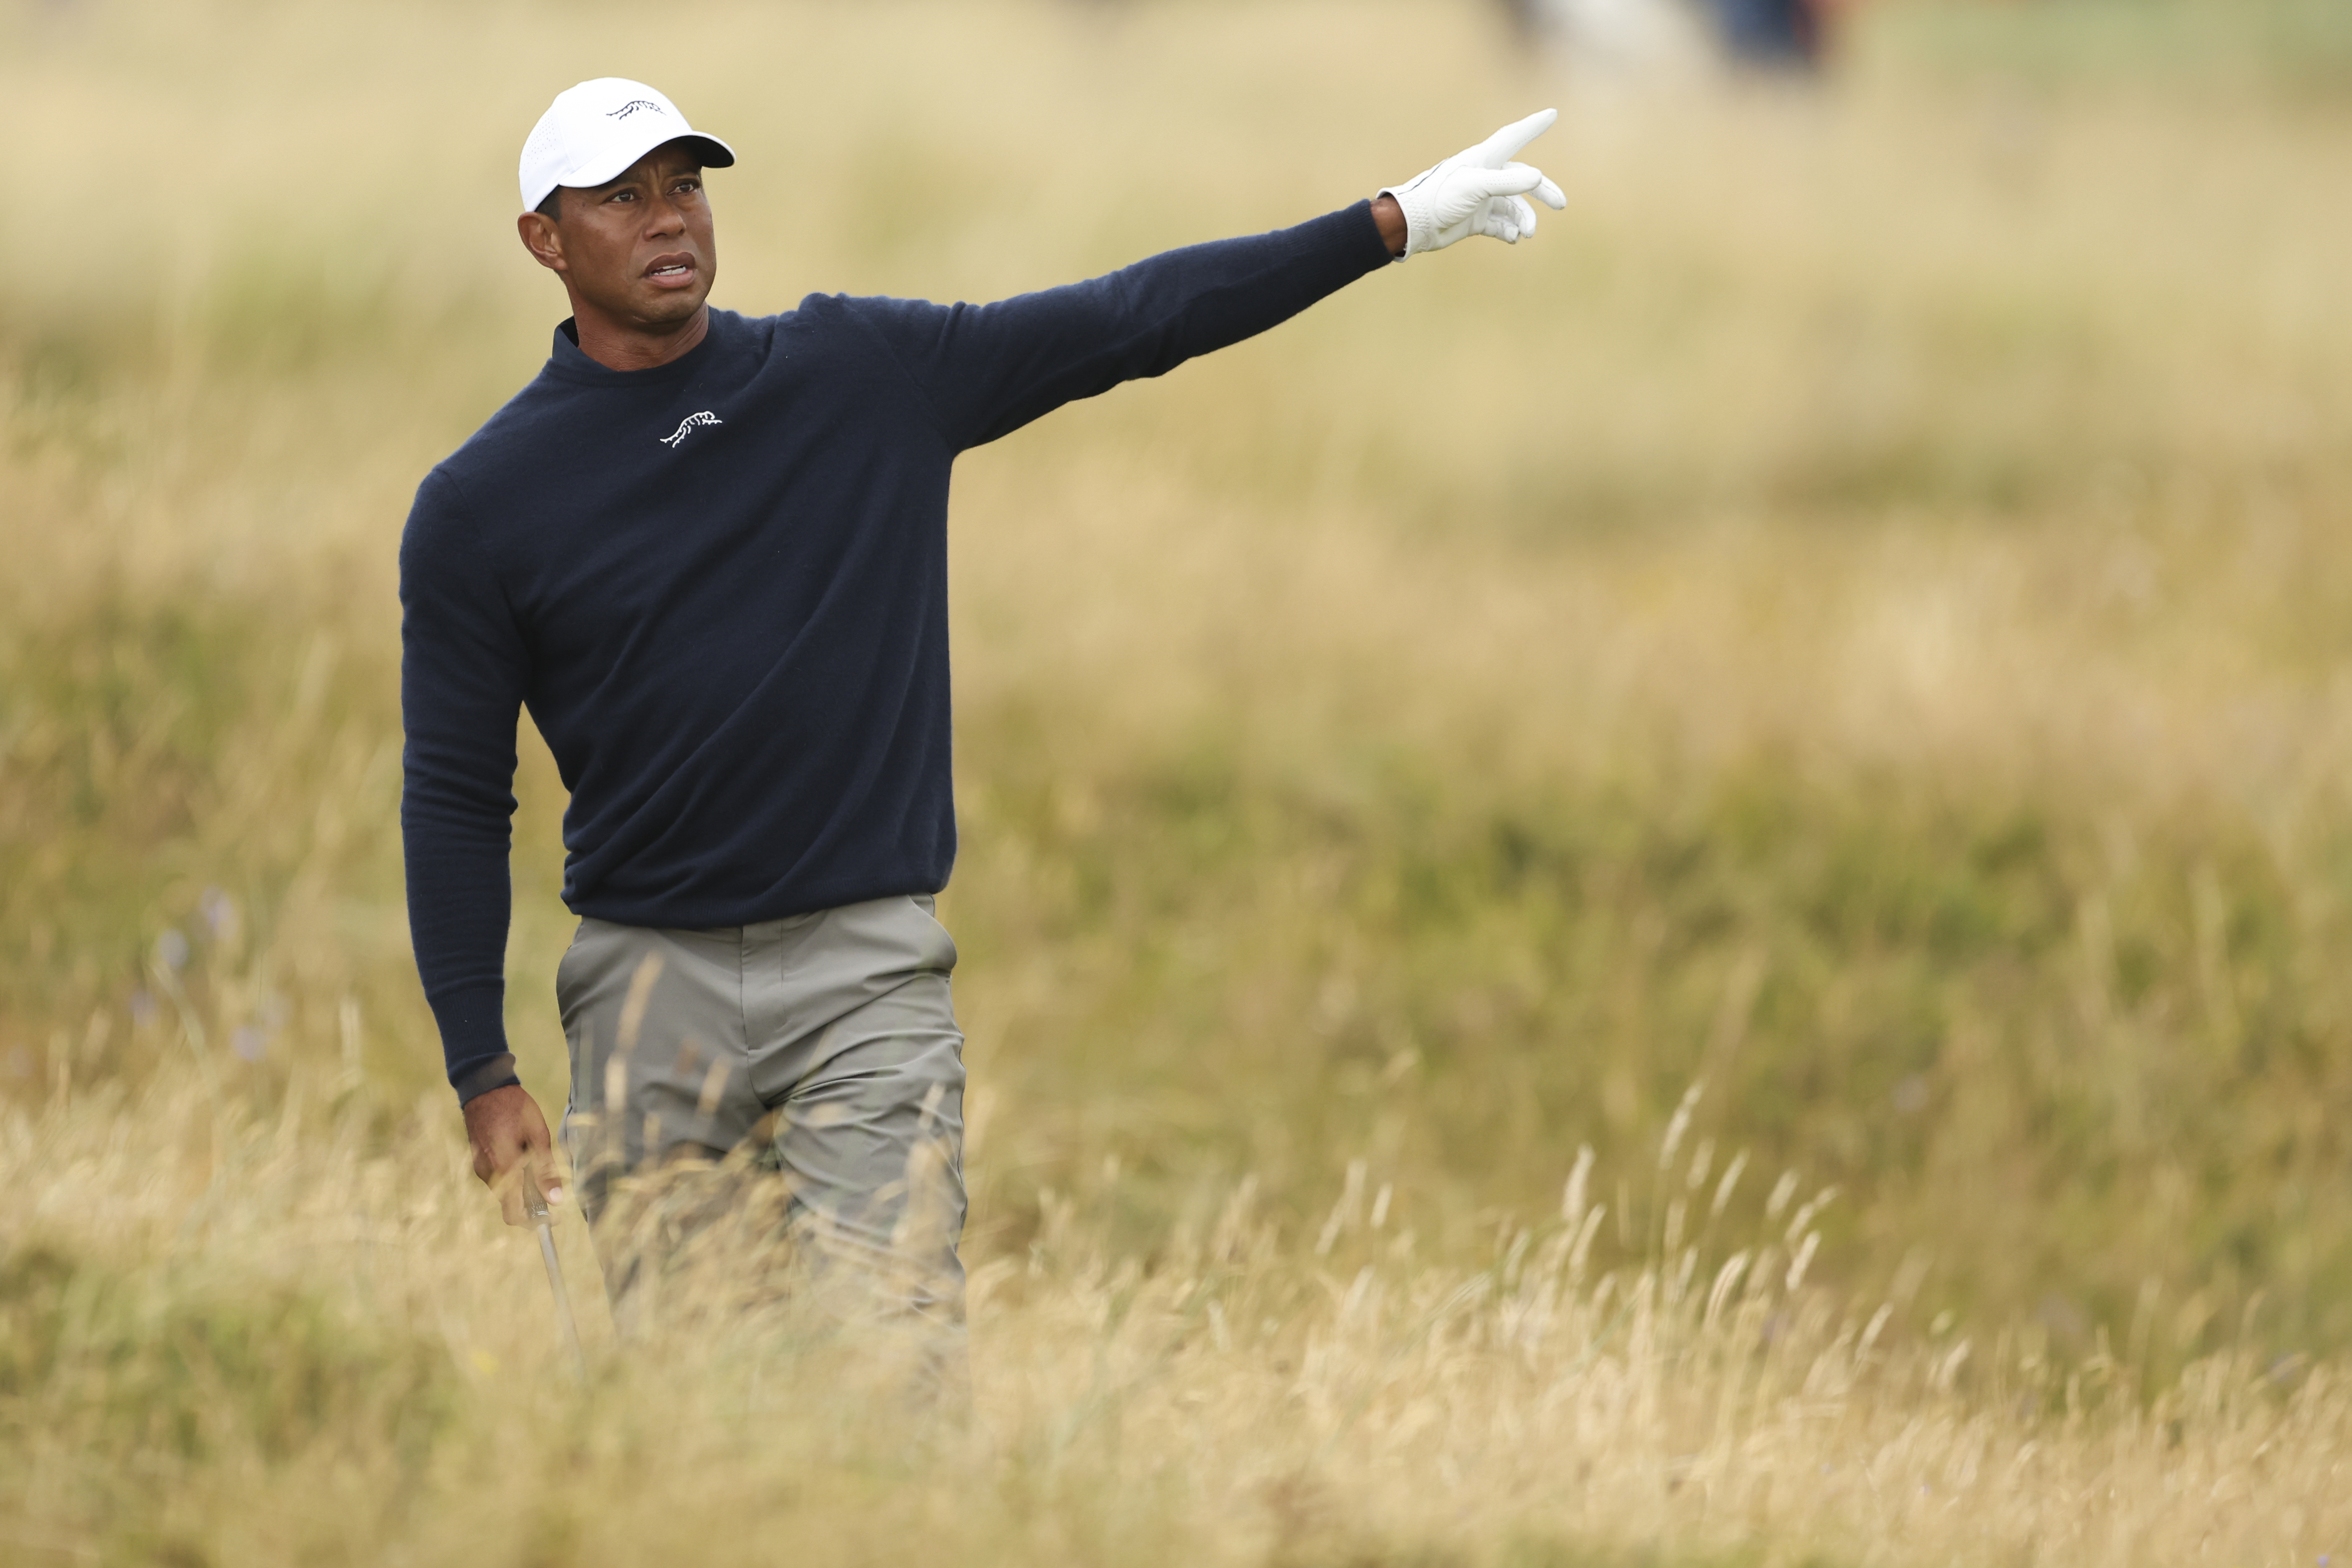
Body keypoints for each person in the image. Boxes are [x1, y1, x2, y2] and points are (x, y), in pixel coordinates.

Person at [400, 78, 1567, 1324]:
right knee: (700, 1406)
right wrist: (484, 1069)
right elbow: (459, 797)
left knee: (898, 1364)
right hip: (647, 995)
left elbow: (1126, 321)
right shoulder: (483, 505)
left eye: (684, 185)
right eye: (622, 197)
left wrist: (1390, 224)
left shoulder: (859, 372)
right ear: (545, 239)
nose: (667, 218)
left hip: (864, 981)